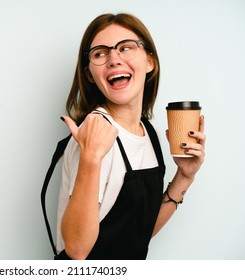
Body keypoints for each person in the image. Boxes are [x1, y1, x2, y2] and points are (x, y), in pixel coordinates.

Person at [55, 13, 206, 260]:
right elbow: (77, 250)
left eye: (125, 47)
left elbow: (139, 232)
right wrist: (91, 157)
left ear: (149, 62)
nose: (114, 59)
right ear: (90, 74)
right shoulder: (91, 136)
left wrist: (185, 176)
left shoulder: (153, 134)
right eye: (100, 53)